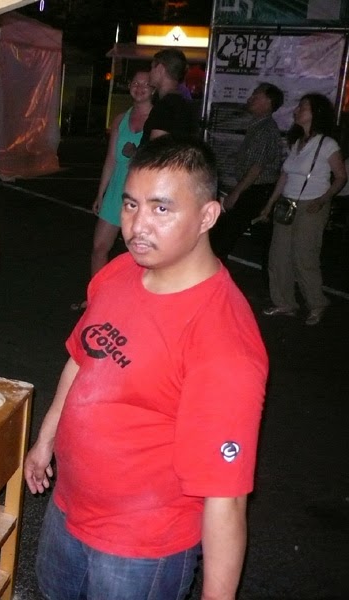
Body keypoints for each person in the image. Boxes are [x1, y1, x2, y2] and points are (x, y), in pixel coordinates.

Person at [25, 136, 268, 600]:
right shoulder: (120, 271)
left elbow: (227, 500)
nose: (137, 226)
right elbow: (82, 360)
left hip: (141, 550)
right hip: (67, 510)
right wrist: (46, 439)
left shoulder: (223, 341)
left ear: (208, 216)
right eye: (131, 204)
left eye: (161, 209)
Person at [259, 93, 347, 325]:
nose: (297, 110)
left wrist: (324, 199)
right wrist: (269, 205)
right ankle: (284, 302)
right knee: (278, 256)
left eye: (303, 107)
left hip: (312, 205)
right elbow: (284, 176)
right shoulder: (296, 142)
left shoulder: (327, 144)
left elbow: (340, 176)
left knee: (304, 256)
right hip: (287, 203)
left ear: (316, 112)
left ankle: (317, 303)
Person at [88, 71, 152, 285]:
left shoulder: (158, 120)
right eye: (135, 83)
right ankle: (97, 295)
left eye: (145, 84)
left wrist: (137, 153)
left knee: (139, 254)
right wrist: (101, 194)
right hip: (117, 190)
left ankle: (137, 298)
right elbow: (111, 159)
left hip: (142, 193)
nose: (139, 88)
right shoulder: (120, 119)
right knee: (99, 247)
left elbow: (161, 160)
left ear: (153, 89)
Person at [210, 83, 284, 261]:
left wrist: (236, 193)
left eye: (256, 96)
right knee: (232, 234)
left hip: (257, 190)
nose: (250, 99)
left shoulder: (265, 129)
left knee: (224, 236)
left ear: (268, 102)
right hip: (254, 189)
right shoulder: (258, 126)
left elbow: (257, 167)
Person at [124, 49, 197, 159]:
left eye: (152, 68)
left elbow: (156, 152)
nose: (150, 73)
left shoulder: (164, 107)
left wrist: (133, 152)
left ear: (160, 69)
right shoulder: (183, 105)